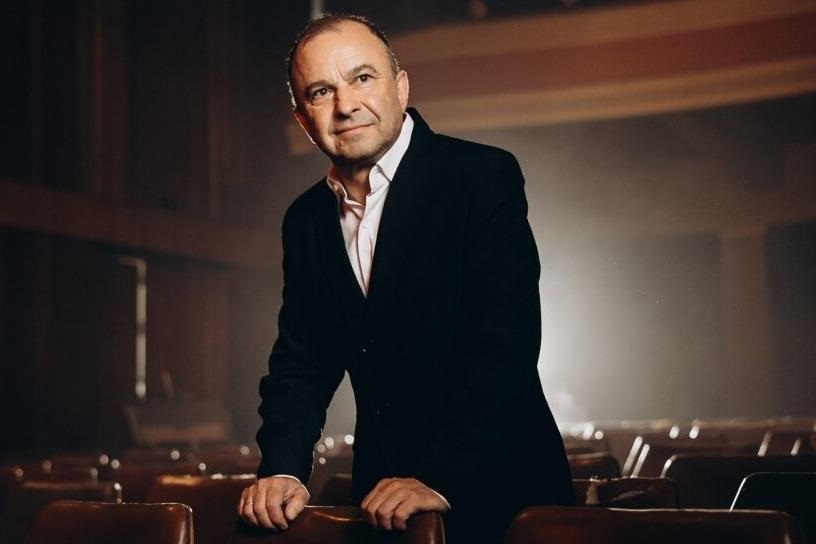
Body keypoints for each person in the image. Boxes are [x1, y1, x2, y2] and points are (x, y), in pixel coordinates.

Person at [238, 13, 573, 543]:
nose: (345, 105)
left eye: (362, 78)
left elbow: (504, 347)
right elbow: (301, 362)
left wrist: (441, 477)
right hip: (382, 505)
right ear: (303, 119)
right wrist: (283, 468)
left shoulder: (482, 177)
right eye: (321, 91)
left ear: (401, 87)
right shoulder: (304, 220)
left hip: (504, 496)